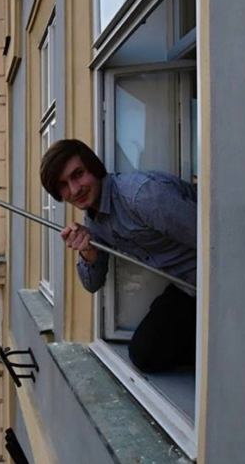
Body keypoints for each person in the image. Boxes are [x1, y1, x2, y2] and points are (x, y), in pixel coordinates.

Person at [40, 139, 197, 372]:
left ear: (93, 167)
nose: (74, 190)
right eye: (63, 185)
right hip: (187, 287)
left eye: (78, 174)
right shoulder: (95, 220)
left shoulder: (142, 196)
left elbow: (215, 241)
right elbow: (92, 284)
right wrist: (87, 250)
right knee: (144, 354)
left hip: (216, 279)